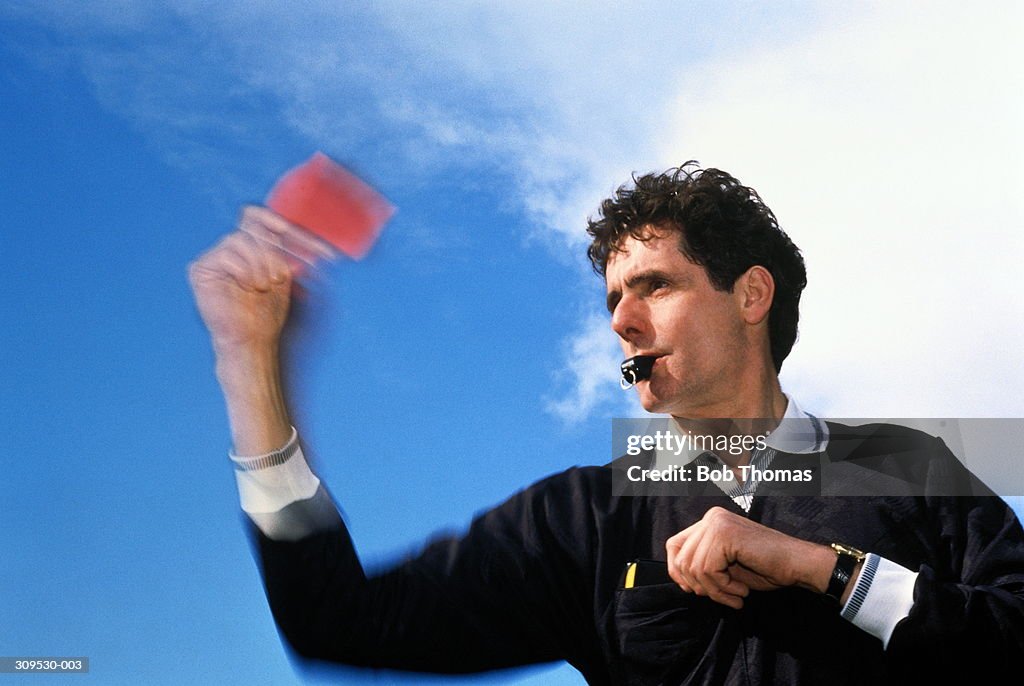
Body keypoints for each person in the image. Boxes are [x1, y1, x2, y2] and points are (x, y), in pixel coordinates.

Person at [189, 163, 1024, 684]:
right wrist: (253, 372)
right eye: (612, 299)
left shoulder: (909, 468)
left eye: (654, 285)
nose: (621, 321)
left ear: (751, 296)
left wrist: (819, 569)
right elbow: (339, 622)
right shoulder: (582, 522)